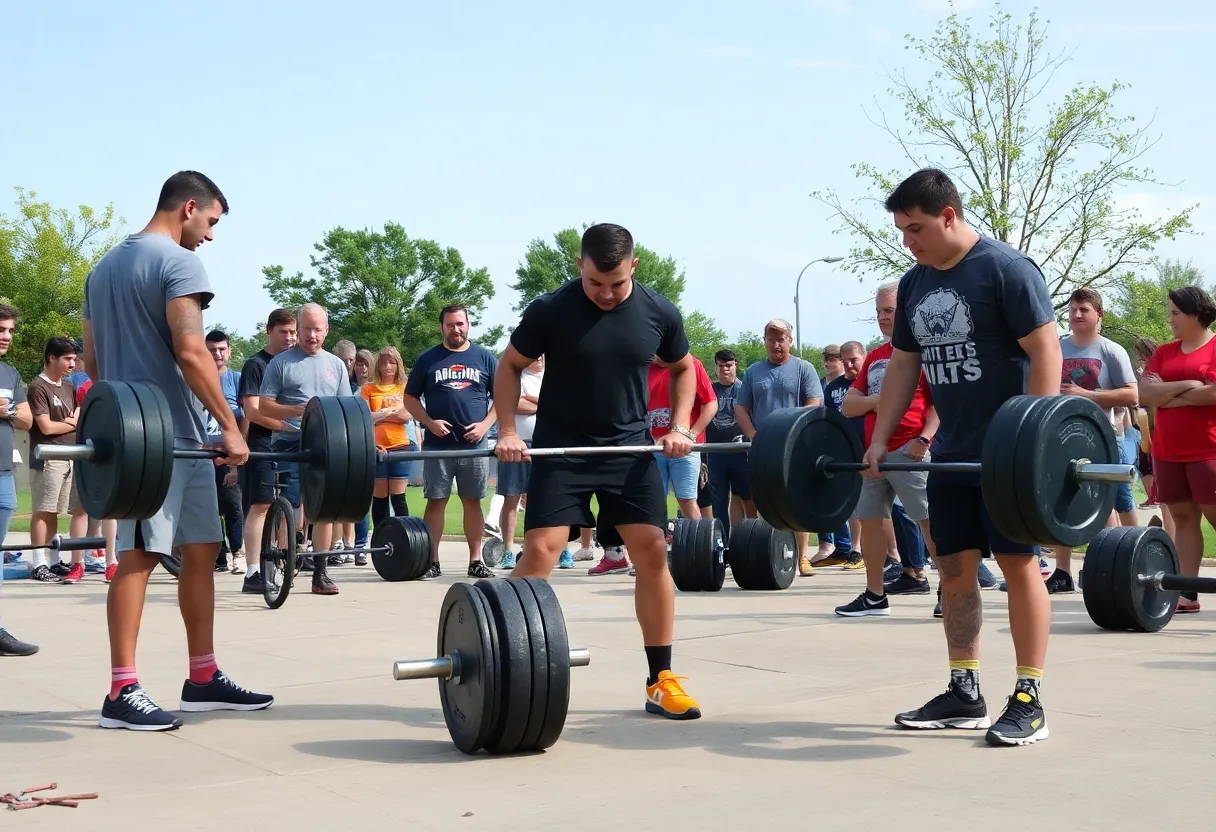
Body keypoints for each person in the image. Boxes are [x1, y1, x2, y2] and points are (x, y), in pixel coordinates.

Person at [865, 168, 1061, 747]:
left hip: (1008, 453)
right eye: (902, 231)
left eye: (917, 228)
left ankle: (1029, 698)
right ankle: (964, 689)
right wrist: (880, 440)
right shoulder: (917, 282)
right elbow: (904, 365)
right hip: (950, 454)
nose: (910, 241)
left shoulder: (1006, 269)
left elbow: (1045, 347)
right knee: (953, 567)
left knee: (1019, 562)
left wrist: (1035, 434)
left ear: (949, 216)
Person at [82, 170, 271, 730]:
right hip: (152, 441)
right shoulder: (179, 262)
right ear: (189, 208)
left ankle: (203, 677)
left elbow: (92, 365)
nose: (210, 236)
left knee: (203, 546)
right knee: (139, 554)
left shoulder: (102, 269)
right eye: (211, 222)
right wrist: (231, 426)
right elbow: (192, 351)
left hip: (160, 434)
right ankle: (121, 691)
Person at [495, 222, 702, 720]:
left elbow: (684, 369)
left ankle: (660, 680)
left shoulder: (658, 311)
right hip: (561, 451)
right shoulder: (550, 309)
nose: (606, 294)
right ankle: (502, 657)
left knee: (652, 549)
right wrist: (507, 431)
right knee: (543, 549)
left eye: (616, 283)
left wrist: (680, 426)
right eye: (594, 283)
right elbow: (508, 366)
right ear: (580, 267)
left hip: (627, 452)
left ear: (634, 266)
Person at [837, 285, 939, 617]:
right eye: (879, 311)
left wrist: (924, 440)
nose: (882, 317)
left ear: (906, 310)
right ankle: (874, 596)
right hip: (873, 455)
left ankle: (951, 591)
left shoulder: (926, 351)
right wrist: (880, 402)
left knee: (928, 523)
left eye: (889, 310)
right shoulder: (876, 356)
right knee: (869, 523)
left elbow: (941, 403)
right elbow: (849, 406)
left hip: (909, 453)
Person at [1040, 288, 1138, 593]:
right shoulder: (1056, 348)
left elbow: (1132, 394)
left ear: (1099, 315)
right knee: (1063, 499)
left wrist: (1089, 395)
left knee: (1117, 501)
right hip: (1065, 439)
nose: (1077, 315)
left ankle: (1130, 560)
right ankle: (1063, 572)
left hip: (1106, 437)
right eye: (1072, 309)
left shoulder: (1111, 351)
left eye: (1084, 309)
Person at [257, 302, 352, 595]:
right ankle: (285, 561)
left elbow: (346, 408)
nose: (312, 335)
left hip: (324, 443)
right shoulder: (281, 362)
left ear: (327, 330)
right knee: (291, 502)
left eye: (318, 329)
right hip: (289, 442)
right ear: (299, 329)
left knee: (323, 508)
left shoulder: (335, 365)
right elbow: (264, 405)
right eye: (307, 329)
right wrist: (298, 410)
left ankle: (320, 573)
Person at [403, 304, 499, 580]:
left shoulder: (484, 358)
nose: (455, 329)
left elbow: (502, 397)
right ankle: (432, 561)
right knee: (436, 501)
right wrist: (429, 422)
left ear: (468, 324)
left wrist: (484, 426)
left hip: (474, 446)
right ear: (442, 327)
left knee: (472, 501)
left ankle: (476, 560)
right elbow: (410, 399)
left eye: (460, 323)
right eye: (450, 324)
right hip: (437, 445)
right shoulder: (428, 359)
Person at [1139, 285, 1216, 614]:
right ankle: (1188, 593)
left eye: (1175, 313)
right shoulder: (1164, 352)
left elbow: (1214, 395)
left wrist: (1166, 394)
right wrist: (1189, 387)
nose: (1170, 319)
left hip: (1208, 449)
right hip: (1167, 450)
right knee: (1184, 520)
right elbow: (1146, 393)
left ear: (1195, 315)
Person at [735, 318, 822, 576]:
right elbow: (741, 408)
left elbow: (814, 402)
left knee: (799, 501)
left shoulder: (804, 368)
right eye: (771, 339)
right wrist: (753, 435)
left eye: (781, 339)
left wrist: (793, 430)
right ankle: (770, 553)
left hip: (797, 446)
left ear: (790, 341)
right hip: (764, 449)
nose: (776, 345)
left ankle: (802, 557)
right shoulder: (753, 372)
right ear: (764, 342)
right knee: (767, 502)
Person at [238, 307, 298, 594]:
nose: (289, 337)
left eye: (293, 332)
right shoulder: (255, 364)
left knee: (290, 506)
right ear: (269, 331)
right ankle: (253, 571)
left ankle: (283, 565)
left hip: (290, 447)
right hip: (263, 445)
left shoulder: (295, 363)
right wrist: (288, 426)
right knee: (261, 505)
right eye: (283, 332)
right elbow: (252, 410)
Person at [26, 336, 82, 583]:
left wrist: (71, 422)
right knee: (43, 510)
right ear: (52, 357)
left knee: (56, 513)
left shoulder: (69, 387)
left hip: (69, 456)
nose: (73, 363)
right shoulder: (38, 387)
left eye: (74, 358)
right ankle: (38, 563)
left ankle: (52, 560)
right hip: (47, 457)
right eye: (68, 358)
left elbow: (77, 417)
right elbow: (46, 427)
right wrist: (69, 423)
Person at [0, 303, 36, 657]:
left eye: (10, 330)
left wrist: (7, 411)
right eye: (1, 329)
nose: (6, 336)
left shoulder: (9, 373)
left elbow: (26, 419)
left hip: (4, 477)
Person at [495, 354, 544, 571]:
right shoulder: (515, 377)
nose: (540, 357)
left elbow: (557, 406)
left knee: (545, 500)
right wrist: (540, 402)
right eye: (536, 354)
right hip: (513, 445)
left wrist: (531, 400)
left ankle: (546, 548)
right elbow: (513, 403)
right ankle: (508, 550)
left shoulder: (553, 378)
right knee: (511, 498)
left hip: (545, 446)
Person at [362, 345, 414, 532]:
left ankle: (405, 536)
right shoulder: (369, 388)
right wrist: (390, 412)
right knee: (380, 498)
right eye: (384, 363)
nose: (388, 367)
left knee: (398, 496)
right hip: (377, 447)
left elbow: (406, 416)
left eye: (392, 362)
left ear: (398, 365)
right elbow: (365, 417)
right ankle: (381, 536)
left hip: (400, 446)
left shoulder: (404, 387)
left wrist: (380, 415)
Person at [705, 349, 755, 541]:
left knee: (747, 496)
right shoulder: (709, 389)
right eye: (721, 365)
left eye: (729, 365)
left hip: (741, 452)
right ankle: (722, 543)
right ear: (715, 367)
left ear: (736, 365)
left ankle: (751, 538)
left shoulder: (744, 389)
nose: (725, 369)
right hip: (715, 452)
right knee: (718, 502)